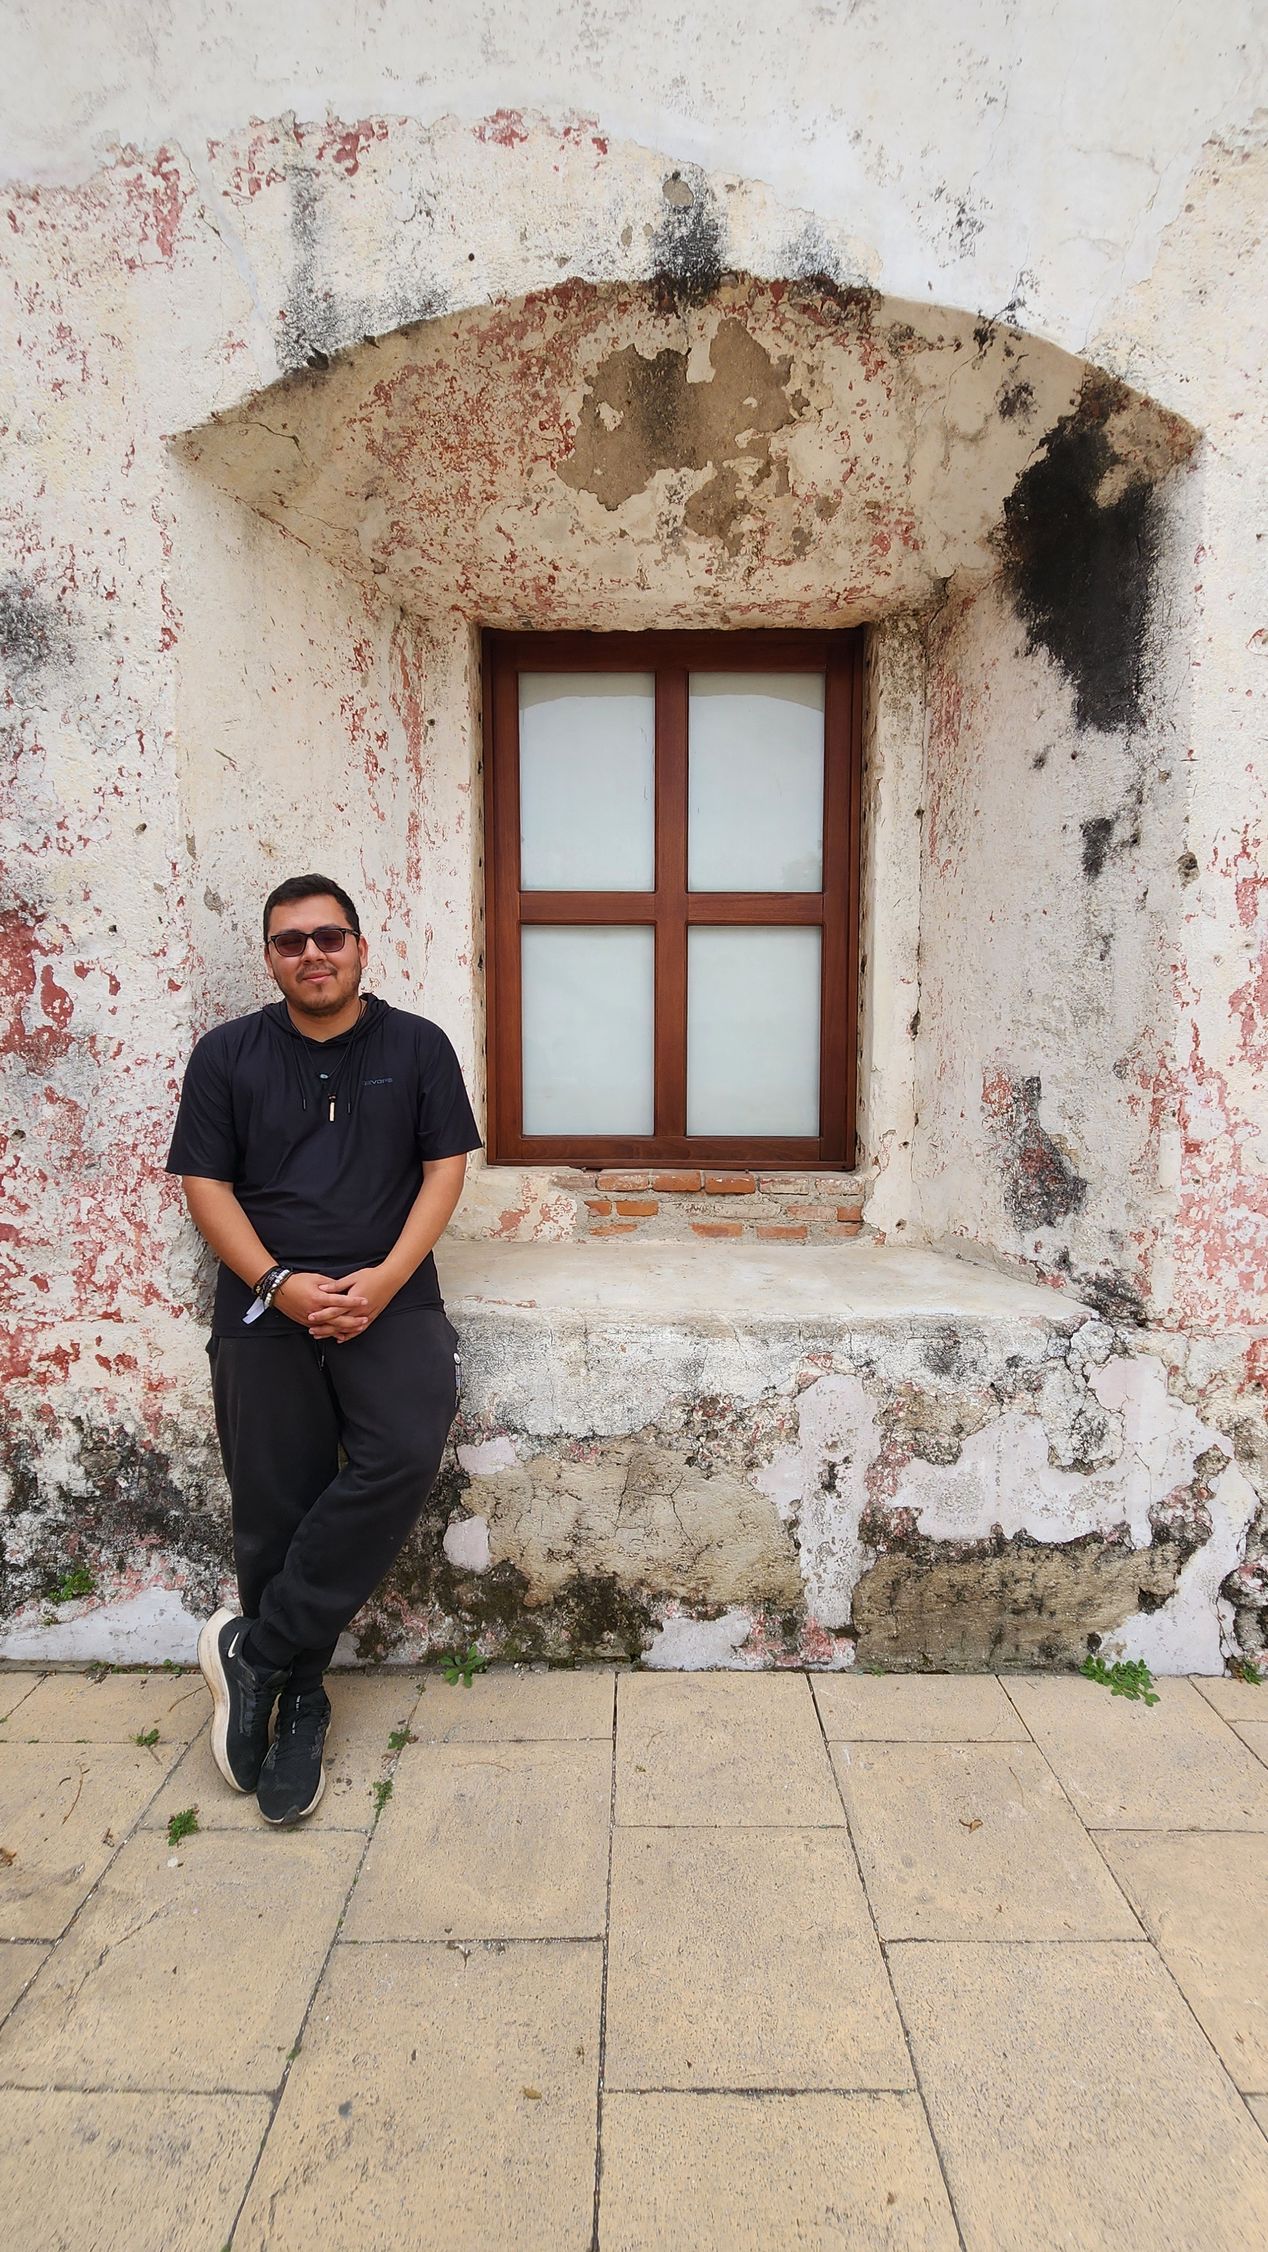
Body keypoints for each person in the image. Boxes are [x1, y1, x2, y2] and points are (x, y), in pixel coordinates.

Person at [166, 874, 481, 1825]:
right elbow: (206, 1184)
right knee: (275, 1501)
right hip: (266, 1303)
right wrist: (277, 1285)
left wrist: (381, 1281)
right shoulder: (226, 1056)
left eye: (329, 937)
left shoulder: (417, 1046)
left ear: (360, 947)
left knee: (402, 1451)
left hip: (393, 1295)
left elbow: (444, 1169)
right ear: (270, 957)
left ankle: (259, 1650)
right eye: (292, 941)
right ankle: (297, 1697)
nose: (313, 954)